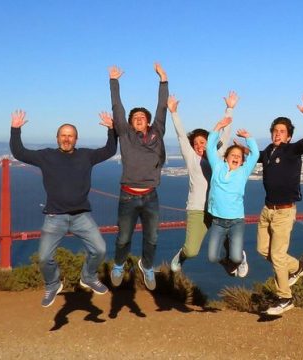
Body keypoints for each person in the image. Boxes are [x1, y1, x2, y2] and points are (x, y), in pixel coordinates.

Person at [9, 109, 117, 307]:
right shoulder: (45, 156)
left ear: (76, 139)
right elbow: (19, 153)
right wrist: (15, 129)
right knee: (43, 258)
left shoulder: (87, 155)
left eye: (70, 136)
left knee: (100, 250)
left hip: (81, 215)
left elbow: (110, 150)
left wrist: (112, 129)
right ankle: (52, 284)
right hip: (54, 217)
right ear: (57, 138)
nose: (66, 139)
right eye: (63, 135)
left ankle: (88, 277)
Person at [108, 63, 168, 291]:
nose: (139, 118)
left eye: (143, 116)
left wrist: (163, 80)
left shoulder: (157, 133)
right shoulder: (125, 134)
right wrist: (114, 82)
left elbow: (162, 107)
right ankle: (119, 264)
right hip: (128, 196)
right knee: (123, 238)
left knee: (152, 238)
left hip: (151, 196)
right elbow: (117, 108)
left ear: (149, 122)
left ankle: (148, 266)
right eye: (136, 117)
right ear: (130, 123)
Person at [257, 96, 303, 315]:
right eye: (275, 130)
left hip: (284, 211)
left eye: (282, 131)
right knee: (263, 250)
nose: (277, 134)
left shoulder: (291, 151)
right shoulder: (268, 152)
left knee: (278, 256)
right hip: (266, 210)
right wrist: (240, 147)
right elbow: (251, 156)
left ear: (289, 136)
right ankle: (298, 267)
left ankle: (285, 298)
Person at [167, 92, 237, 272]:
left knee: (231, 241)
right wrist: (174, 113)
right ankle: (182, 255)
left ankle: (237, 260)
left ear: (209, 142)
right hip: (197, 209)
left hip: (218, 207)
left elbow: (225, 134)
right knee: (192, 251)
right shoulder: (191, 158)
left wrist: (229, 109)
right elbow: (182, 136)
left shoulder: (218, 155)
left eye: (203, 142)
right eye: (196, 143)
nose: (199, 146)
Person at [206, 117, 258, 277]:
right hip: (217, 221)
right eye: (233, 154)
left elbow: (255, 155)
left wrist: (248, 137)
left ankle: (240, 259)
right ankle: (228, 264)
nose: (236, 157)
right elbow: (209, 147)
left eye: (239, 156)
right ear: (225, 157)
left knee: (235, 256)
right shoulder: (217, 167)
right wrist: (218, 126)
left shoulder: (243, 172)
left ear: (242, 161)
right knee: (212, 257)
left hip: (236, 221)